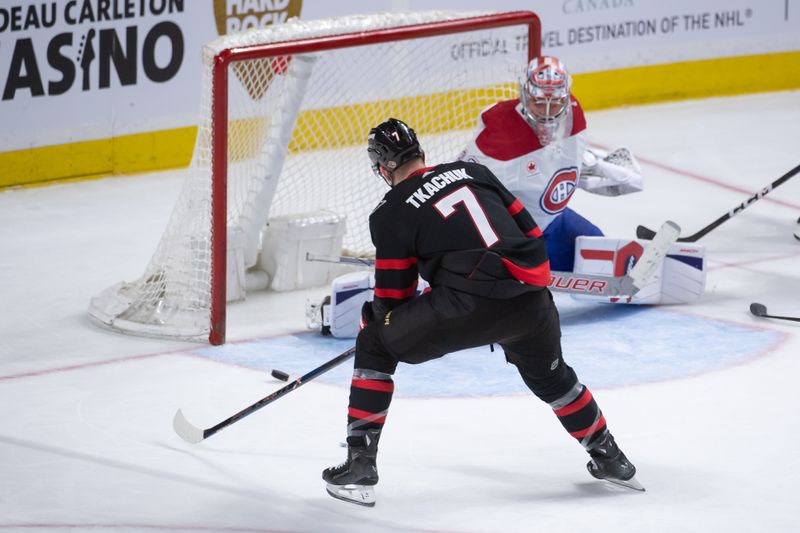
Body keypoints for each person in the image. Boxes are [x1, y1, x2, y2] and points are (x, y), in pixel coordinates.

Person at [321, 118, 643, 507]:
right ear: (420, 151)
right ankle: (611, 458)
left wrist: (377, 321)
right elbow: (530, 229)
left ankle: (360, 465)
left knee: (374, 343)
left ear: (383, 168)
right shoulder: (473, 171)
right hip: (531, 301)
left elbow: (395, 296)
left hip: (465, 307)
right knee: (554, 380)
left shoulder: (389, 212)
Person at [458, 55, 644, 272]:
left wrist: (594, 165)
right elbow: (464, 189)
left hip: (555, 221)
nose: (547, 112)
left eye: (555, 102)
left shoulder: (574, 113)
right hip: (518, 239)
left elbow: (559, 161)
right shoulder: (498, 135)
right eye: (539, 102)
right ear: (524, 94)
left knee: (607, 256)